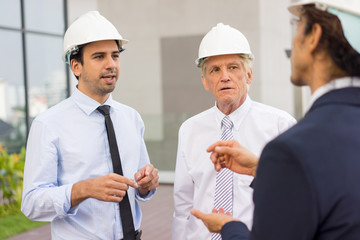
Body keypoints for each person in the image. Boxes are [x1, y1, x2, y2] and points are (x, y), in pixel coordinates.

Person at [191, 0, 360, 239]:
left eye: (297, 27)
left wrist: (229, 227)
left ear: (314, 36)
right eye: (215, 70)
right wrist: (261, 169)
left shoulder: (290, 147)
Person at [21, 11, 159, 240]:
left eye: (115, 55)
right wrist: (83, 190)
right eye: (99, 57)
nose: (111, 64)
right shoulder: (48, 124)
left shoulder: (131, 117)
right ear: (76, 66)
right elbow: (32, 203)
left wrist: (147, 184)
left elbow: (141, 187)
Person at [172, 23, 296, 240]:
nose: (225, 76)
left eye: (233, 67)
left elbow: (294, 195)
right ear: (205, 81)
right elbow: (183, 204)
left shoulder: (281, 126)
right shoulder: (189, 129)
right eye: (215, 70)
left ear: (249, 75)